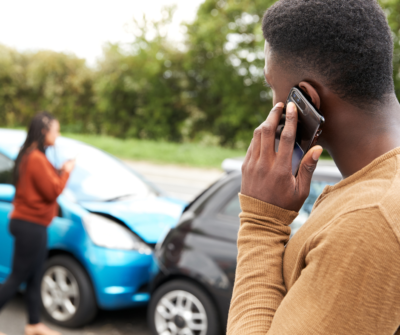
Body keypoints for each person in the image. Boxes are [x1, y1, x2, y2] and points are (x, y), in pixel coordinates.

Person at [227, 0, 400, 334]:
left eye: (270, 85)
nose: (271, 100)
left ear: (303, 99)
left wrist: (261, 222)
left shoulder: (371, 218)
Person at [0, 112, 75, 335]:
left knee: (35, 275)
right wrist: (67, 173)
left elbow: (45, 184)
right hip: (29, 225)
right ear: (44, 131)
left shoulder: (32, 156)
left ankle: (34, 324)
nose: (58, 135)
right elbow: (52, 191)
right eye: (56, 130)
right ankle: (33, 323)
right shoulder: (35, 158)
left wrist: (60, 171)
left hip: (32, 224)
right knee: (17, 277)